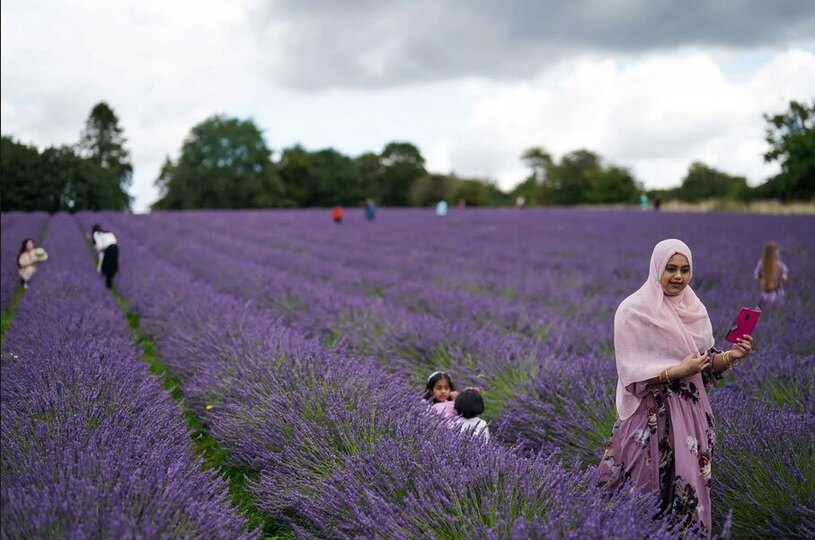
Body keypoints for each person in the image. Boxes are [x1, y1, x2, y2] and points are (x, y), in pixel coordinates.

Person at [597, 239, 753, 536]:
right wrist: (676, 371)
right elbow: (630, 374)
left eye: (685, 269)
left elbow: (706, 367)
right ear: (656, 269)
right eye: (670, 269)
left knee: (686, 496)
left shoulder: (695, 309)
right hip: (648, 418)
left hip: (691, 419)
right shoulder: (632, 311)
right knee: (636, 491)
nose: (678, 276)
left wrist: (730, 357)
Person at [754, 241, 788, 305]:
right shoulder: (780, 265)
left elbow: (756, 276)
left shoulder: (761, 264)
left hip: (765, 292)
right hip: (778, 293)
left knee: (759, 310)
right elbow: (784, 278)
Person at [91, 224, 119, 289]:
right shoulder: (108, 232)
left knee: (106, 268)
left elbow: (100, 247)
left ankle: (107, 285)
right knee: (112, 267)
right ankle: (110, 285)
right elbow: (115, 240)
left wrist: (96, 247)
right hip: (115, 248)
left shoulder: (96, 234)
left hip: (109, 249)